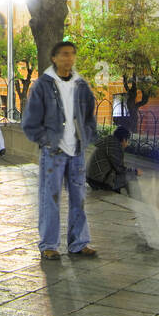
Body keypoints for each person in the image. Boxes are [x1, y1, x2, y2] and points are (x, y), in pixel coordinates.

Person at [22, 40, 99, 260]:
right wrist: (46, 140)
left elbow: (90, 117)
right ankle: (49, 244)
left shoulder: (81, 85)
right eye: (64, 54)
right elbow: (30, 121)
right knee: (50, 198)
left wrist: (86, 136)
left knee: (79, 197)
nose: (69, 58)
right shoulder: (43, 85)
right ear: (54, 58)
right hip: (53, 151)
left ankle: (79, 242)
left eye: (72, 54)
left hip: (76, 150)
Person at [87, 126, 140, 193]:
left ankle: (119, 195)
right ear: (124, 139)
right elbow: (120, 169)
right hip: (98, 181)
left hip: (91, 178)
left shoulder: (109, 141)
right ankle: (138, 201)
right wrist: (135, 171)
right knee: (131, 176)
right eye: (128, 141)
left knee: (120, 178)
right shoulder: (115, 146)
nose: (127, 144)